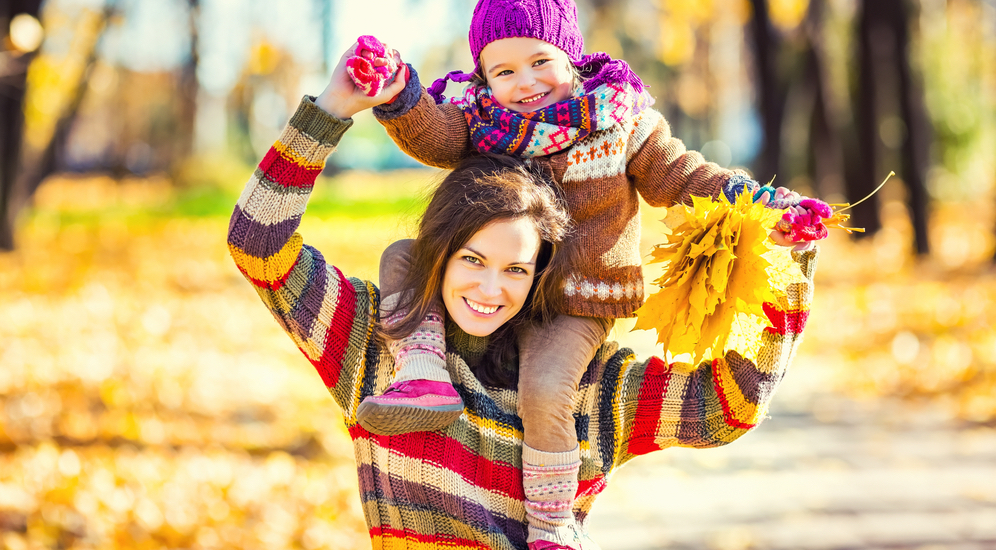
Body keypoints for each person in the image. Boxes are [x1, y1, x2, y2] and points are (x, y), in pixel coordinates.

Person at [227, 48, 820, 550]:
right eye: (472, 260)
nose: (490, 290)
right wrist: (331, 110)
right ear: (439, 250)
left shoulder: (584, 389)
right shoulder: (378, 341)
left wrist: (785, 261)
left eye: (516, 268)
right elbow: (258, 244)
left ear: (540, 272)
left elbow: (728, 406)